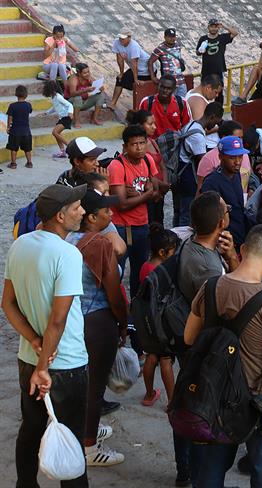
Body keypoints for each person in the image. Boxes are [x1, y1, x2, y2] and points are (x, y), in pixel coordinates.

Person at [183, 224, 262, 488]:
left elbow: (188, 338)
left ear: (242, 250)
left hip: (217, 391)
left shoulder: (210, 287)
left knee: (211, 469)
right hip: (261, 395)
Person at [2, 183, 89, 488]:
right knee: (71, 439)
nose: (82, 210)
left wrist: (34, 343)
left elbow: (7, 304)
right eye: (76, 207)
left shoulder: (20, 244)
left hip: (28, 358)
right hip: (64, 364)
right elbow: (58, 319)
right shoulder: (67, 254)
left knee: (32, 427)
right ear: (60, 216)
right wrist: (43, 368)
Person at [65, 188, 128, 467]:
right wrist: (123, 323)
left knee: (76, 385)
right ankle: (90, 448)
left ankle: (78, 432)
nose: (110, 214)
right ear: (90, 217)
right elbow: (115, 294)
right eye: (105, 211)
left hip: (69, 320)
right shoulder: (100, 245)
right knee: (94, 389)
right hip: (97, 321)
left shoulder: (64, 239)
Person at [108, 124, 160, 298]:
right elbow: (121, 204)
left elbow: (157, 190)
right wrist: (146, 194)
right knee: (117, 273)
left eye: (142, 143)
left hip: (141, 224)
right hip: (122, 227)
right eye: (134, 144)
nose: (139, 148)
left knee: (140, 272)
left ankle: (137, 311)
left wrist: (143, 193)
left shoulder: (147, 160)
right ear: (125, 146)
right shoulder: (117, 166)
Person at [138, 223, 178, 408]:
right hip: (162, 322)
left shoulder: (145, 267)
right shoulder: (162, 272)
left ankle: (148, 394)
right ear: (162, 253)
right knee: (165, 360)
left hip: (147, 322)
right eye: (172, 252)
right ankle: (172, 402)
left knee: (151, 356)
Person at [179, 192, 240, 302]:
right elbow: (232, 300)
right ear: (221, 223)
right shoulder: (211, 270)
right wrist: (233, 258)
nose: (229, 211)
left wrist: (230, 256)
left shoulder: (189, 241)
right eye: (227, 210)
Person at [176, 101, 224, 226]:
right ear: (212, 117)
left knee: (180, 210)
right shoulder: (198, 136)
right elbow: (204, 163)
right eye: (216, 121)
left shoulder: (192, 125)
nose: (215, 125)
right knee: (187, 212)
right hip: (188, 177)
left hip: (182, 171)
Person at [201, 135, 252, 248]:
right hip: (225, 243)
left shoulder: (236, 174)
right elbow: (209, 218)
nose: (237, 162)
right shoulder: (211, 182)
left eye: (240, 157)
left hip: (240, 237)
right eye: (232, 158)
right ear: (220, 157)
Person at [125, 109, 170, 225]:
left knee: (159, 220)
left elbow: (162, 165)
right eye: (150, 124)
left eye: (154, 123)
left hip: (159, 192)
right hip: (148, 192)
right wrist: (161, 186)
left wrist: (164, 185)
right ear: (140, 125)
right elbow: (141, 174)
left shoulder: (153, 142)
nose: (154, 127)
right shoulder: (134, 150)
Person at [196, 119, 253, 198]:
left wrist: (252, 189)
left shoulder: (244, 155)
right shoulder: (208, 159)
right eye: (237, 138)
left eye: (241, 138)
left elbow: (250, 176)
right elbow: (201, 192)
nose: (237, 162)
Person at [139, 74, 191, 140]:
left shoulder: (181, 103)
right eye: (162, 87)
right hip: (152, 144)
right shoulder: (147, 102)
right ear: (158, 86)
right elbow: (139, 126)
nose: (165, 91)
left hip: (175, 144)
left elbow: (187, 127)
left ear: (174, 89)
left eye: (168, 88)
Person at [111, 30, 151, 107]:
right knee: (120, 79)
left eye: (123, 38)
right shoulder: (117, 43)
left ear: (129, 38)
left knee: (140, 88)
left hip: (145, 70)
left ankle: (140, 107)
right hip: (134, 69)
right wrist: (121, 73)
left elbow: (134, 63)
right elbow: (119, 59)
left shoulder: (134, 46)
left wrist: (135, 79)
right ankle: (113, 103)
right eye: (120, 38)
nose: (120, 40)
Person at [196, 19, 238, 88]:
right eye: (211, 26)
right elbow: (197, 53)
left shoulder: (222, 38)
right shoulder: (203, 38)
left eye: (215, 27)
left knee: (219, 92)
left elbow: (235, 33)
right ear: (208, 27)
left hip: (218, 70)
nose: (213, 29)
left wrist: (224, 26)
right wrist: (200, 50)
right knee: (204, 91)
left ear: (218, 28)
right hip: (206, 71)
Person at [148, 28, 188, 98]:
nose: (172, 39)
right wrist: (153, 77)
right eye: (170, 37)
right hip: (168, 83)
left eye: (173, 36)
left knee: (182, 102)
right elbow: (150, 62)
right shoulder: (160, 48)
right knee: (169, 103)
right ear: (165, 37)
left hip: (180, 80)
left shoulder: (178, 45)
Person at [64, 62, 103, 127]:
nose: (87, 74)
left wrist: (100, 88)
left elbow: (96, 86)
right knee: (77, 97)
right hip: (70, 103)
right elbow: (72, 93)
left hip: (83, 102)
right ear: (79, 73)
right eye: (85, 73)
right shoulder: (73, 79)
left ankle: (94, 118)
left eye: (88, 72)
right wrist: (85, 90)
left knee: (101, 95)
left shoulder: (88, 77)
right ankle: (76, 121)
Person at [42, 79, 74, 157]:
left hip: (66, 117)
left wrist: (70, 112)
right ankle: (62, 151)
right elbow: (54, 107)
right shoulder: (53, 97)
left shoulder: (58, 97)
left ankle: (69, 146)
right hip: (62, 118)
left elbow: (69, 104)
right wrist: (46, 112)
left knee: (55, 132)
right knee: (57, 134)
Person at [6, 84, 33, 169]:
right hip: (26, 131)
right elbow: (30, 111)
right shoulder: (28, 105)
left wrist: (8, 127)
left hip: (15, 131)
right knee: (27, 149)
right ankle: (29, 163)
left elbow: (10, 118)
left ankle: (13, 164)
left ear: (16, 94)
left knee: (13, 148)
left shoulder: (12, 106)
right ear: (26, 95)